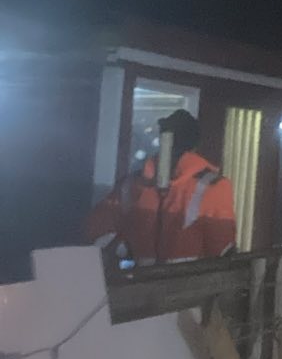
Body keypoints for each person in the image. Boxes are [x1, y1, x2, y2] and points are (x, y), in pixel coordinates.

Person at [85, 108, 238, 264]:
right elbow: (221, 249)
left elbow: (99, 227)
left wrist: (124, 248)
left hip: (139, 277)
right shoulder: (215, 186)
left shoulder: (131, 183)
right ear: (195, 145)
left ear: (162, 139)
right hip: (189, 279)